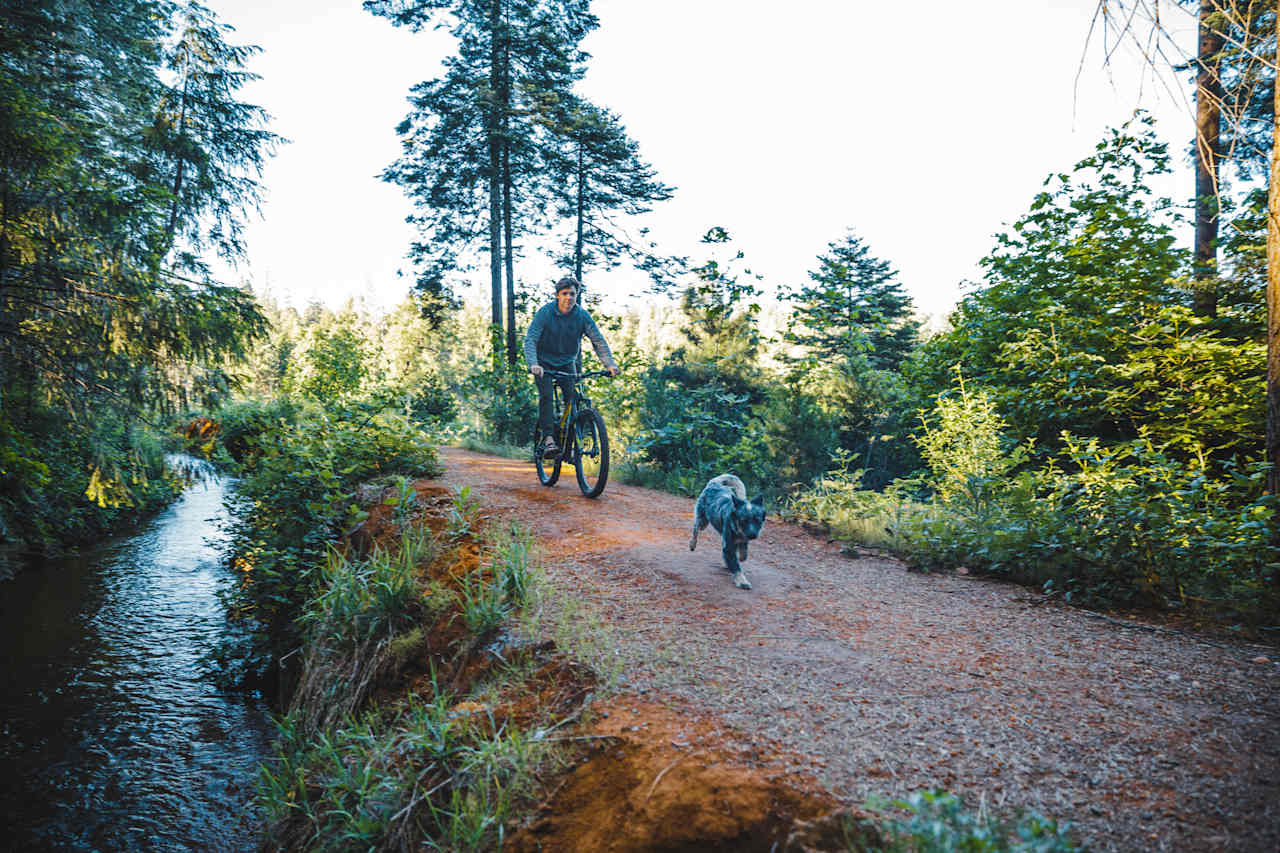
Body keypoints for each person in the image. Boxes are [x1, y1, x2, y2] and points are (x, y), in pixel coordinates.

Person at [524, 276, 619, 457]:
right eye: (565, 293)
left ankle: (575, 441)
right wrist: (533, 363)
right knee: (547, 397)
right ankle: (549, 438)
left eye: (572, 294)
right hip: (543, 364)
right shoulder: (545, 313)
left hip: (567, 362)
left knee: (573, 397)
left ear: (577, 295)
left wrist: (610, 364)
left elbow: (597, 340)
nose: (569, 297)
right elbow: (531, 338)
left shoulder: (582, 316)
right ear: (557, 296)